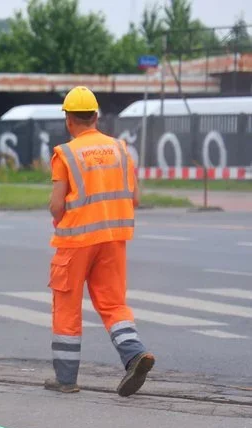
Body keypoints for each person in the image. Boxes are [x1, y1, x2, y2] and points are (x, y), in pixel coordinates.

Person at [46, 85, 155, 396]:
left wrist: (60, 218)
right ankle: (135, 354)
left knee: (66, 306)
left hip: (76, 239)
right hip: (113, 239)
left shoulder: (65, 153)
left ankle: (66, 380)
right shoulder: (120, 149)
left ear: (69, 120)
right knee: (113, 303)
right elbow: (134, 196)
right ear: (95, 116)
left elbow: (57, 204)